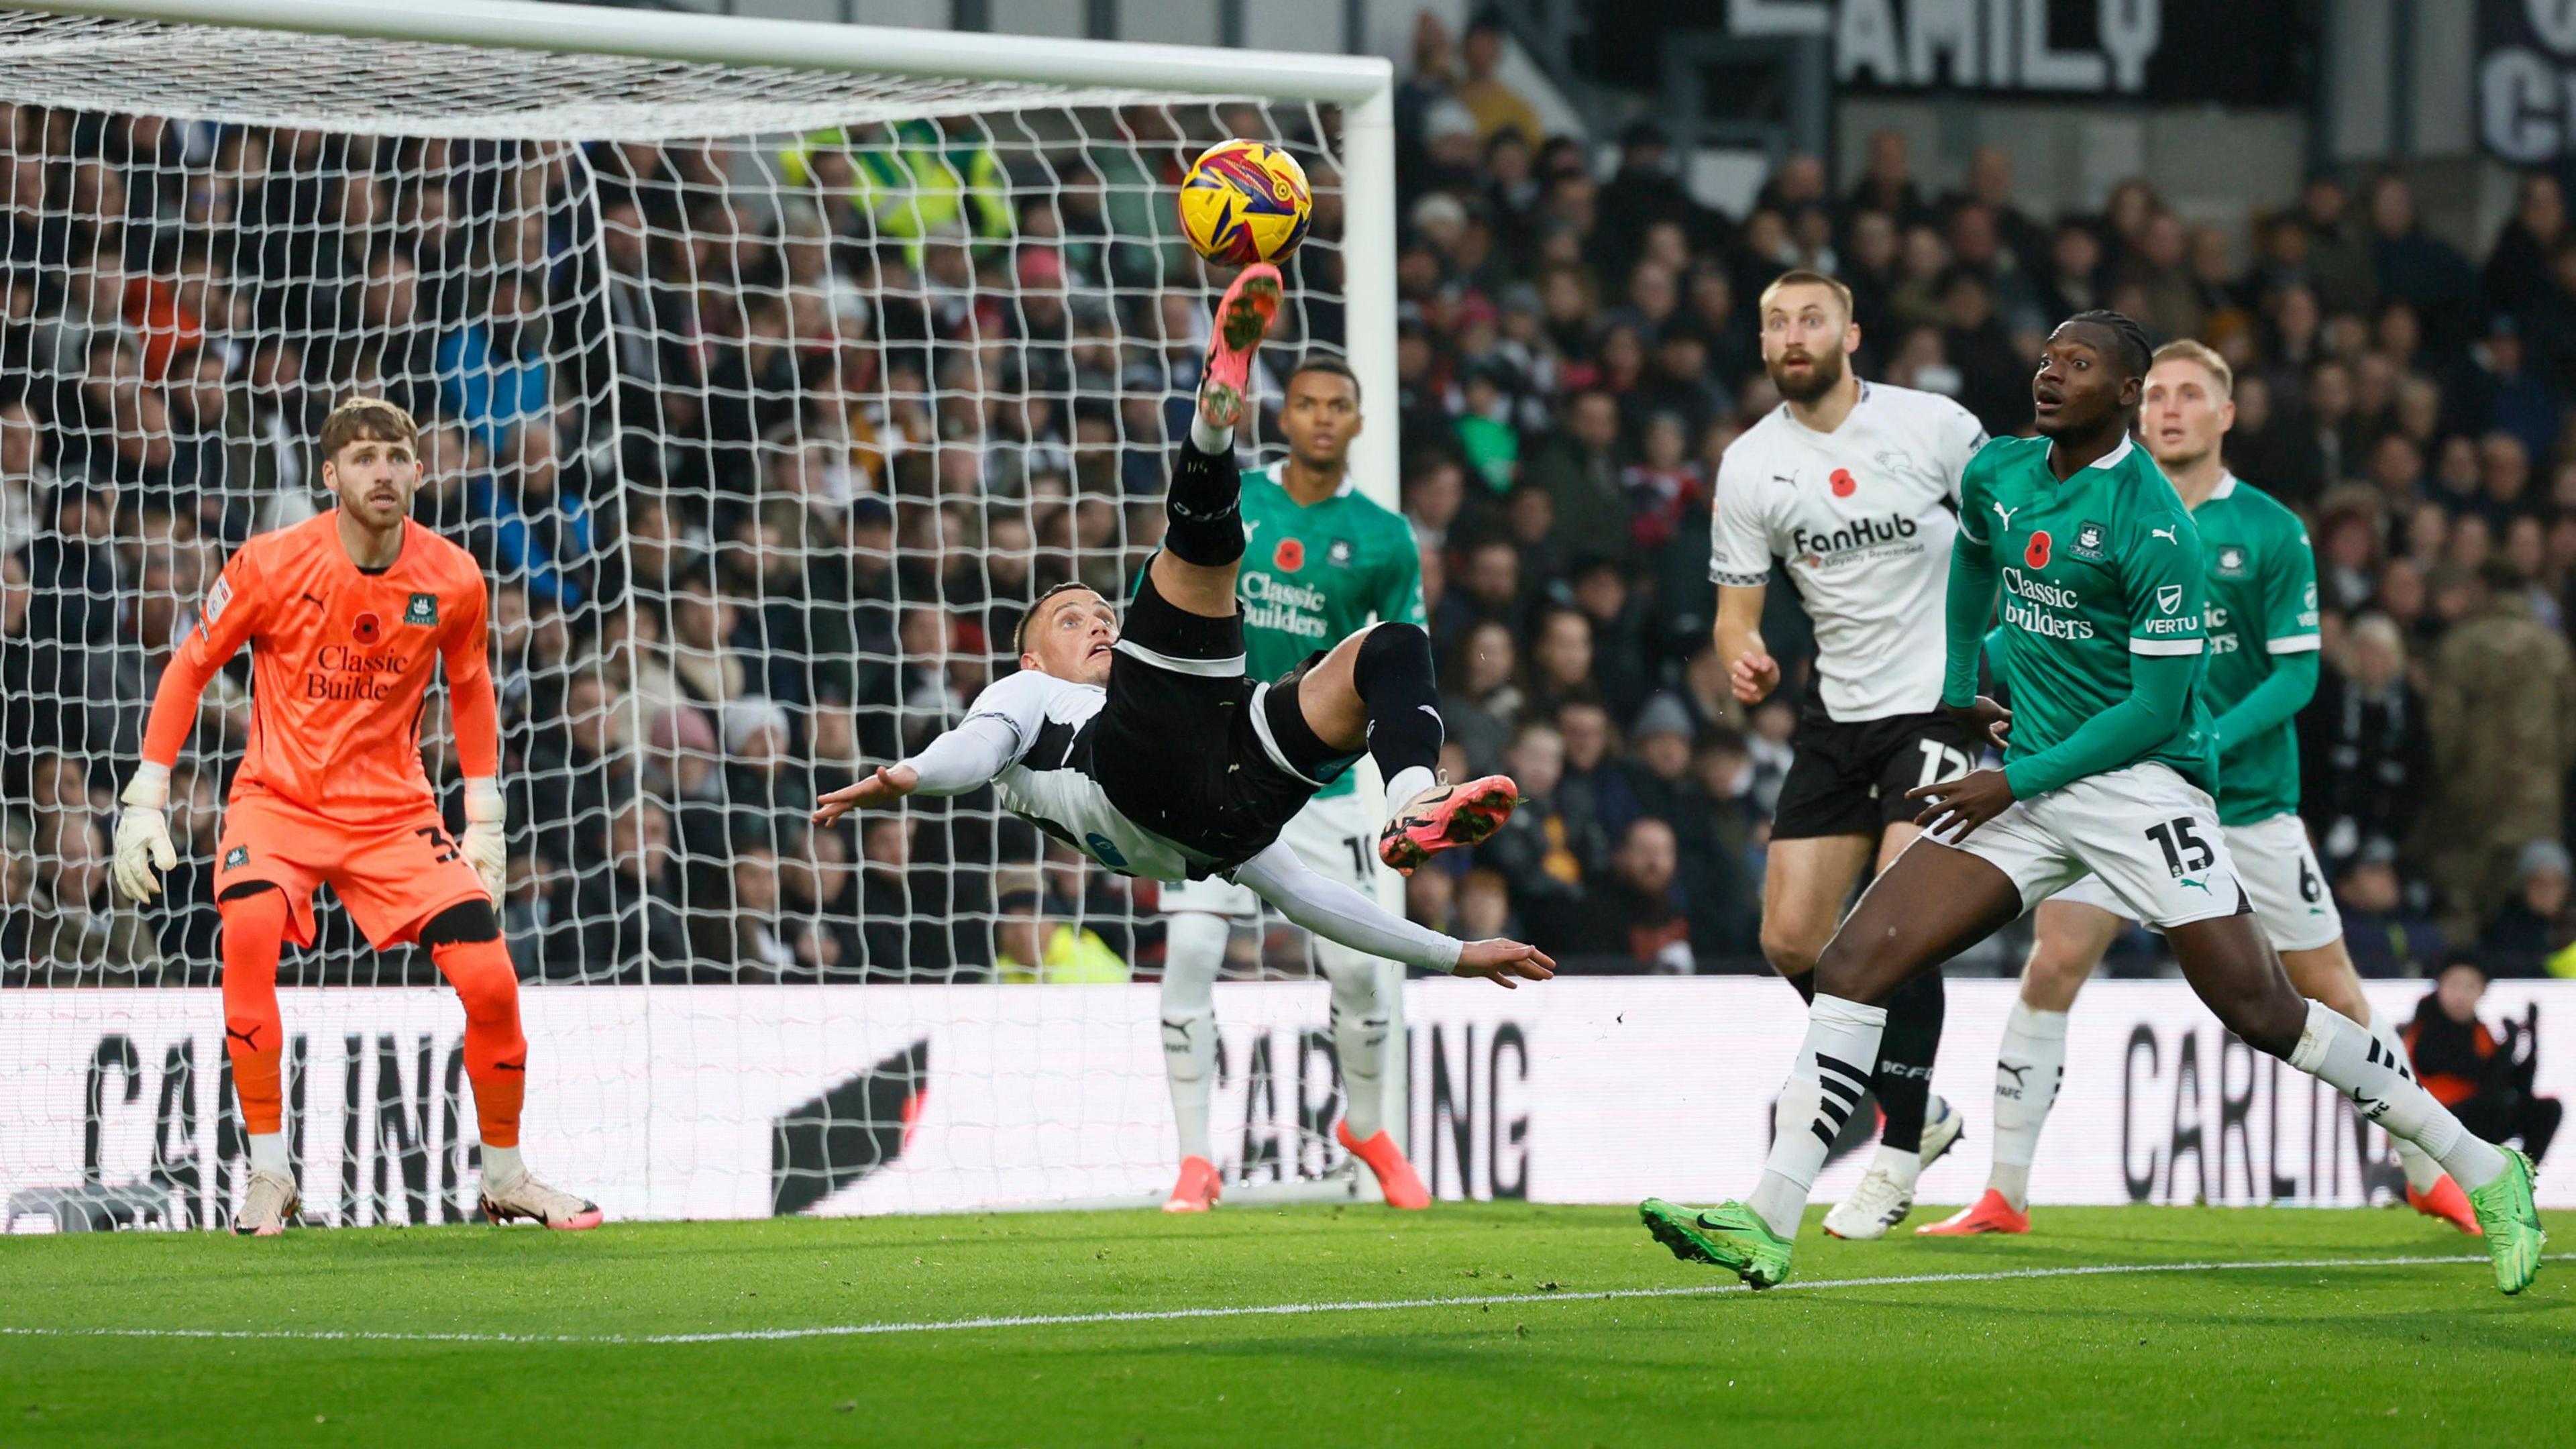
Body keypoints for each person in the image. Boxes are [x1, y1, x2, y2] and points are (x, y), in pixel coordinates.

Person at [1643, 312, 2546, 1297]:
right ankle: (1770, 1220)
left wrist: (2011, 779)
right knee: (1856, 961)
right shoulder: (2000, 473)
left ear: (2124, 393)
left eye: (2079, 365)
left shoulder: (2156, 528)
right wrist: (1957, 687)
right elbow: (1977, 565)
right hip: (2033, 776)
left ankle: (2486, 1168)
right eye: (2046, 359)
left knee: (2266, 1010)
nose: (2050, 375)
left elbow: (2157, 711)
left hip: (2137, 788)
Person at [812, 268, 1554, 1191]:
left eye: (1099, 611)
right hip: (1147, 760)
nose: (1098, 622)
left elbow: (1311, 900)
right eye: (1072, 619)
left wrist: (1452, 954)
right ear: (1033, 659)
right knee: (1201, 544)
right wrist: (910, 775)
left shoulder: (1377, 542)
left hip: (1225, 796)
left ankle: (1414, 800)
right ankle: (1220, 395)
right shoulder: (1032, 696)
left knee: (1392, 648)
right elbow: (978, 747)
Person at [1921, 341, 2475, 1238]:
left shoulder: (2268, 531)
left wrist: (2204, 731)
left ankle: (2429, 1169)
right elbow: (2031, 622)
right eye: (2162, 394)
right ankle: (2004, 1192)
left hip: (2245, 798)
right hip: (2111, 788)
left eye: (2193, 395)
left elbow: (2297, 679)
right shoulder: (2088, 504)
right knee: (2055, 960)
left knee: (2328, 988)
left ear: (2226, 414)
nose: (2171, 409)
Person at [109, 397, 600, 1235]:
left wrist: (484, 820)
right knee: (249, 937)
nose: (383, 471)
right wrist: (143, 800)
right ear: (330, 476)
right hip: (279, 803)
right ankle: (270, 1175)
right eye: (364, 458)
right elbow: (191, 668)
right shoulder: (269, 563)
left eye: (397, 456)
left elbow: (473, 690)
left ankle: (506, 1176)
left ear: (420, 471)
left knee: (490, 981)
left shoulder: (451, 577)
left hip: (392, 815)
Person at [1705, 270, 1987, 1239]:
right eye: (1774, 320)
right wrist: (1742, 657)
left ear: (1851, 333)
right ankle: (1925, 1106)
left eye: (1809, 318)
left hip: (1945, 705)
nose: (1792, 334)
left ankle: (1899, 1151)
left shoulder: (1935, 427)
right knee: (1791, 939)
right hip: (1840, 714)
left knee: (1896, 914)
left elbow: (2015, 536)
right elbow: (1735, 615)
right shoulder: (1749, 466)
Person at [1152, 355, 1433, 1214]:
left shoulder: (1385, 537)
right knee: (1194, 952)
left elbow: (1399, 661)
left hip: (1321, 780)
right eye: (1305, 403)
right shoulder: (1240, 503)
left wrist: (1406, 775)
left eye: (1336, 406)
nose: (1319, 417)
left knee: (1359, 970)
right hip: (1215, 762)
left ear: (1357, 422)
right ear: (1283, 418)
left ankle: (1370, 1130)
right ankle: (1197, 1162)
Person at [2408, 959, 2562, 1165]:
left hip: (2475, 1122)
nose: (2460, 995)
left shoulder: (2480, 1032)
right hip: (2434, 1123)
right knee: (2493, 1105)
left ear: (2482, 992)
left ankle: (2523, 1175)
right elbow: (2483, 1077)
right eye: (2454, 985)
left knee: (2547, 1110)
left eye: (2470, 986)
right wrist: (2508, 1048)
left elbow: (2518, 1087)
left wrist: (2531, 1041)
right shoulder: (2428, 1028)